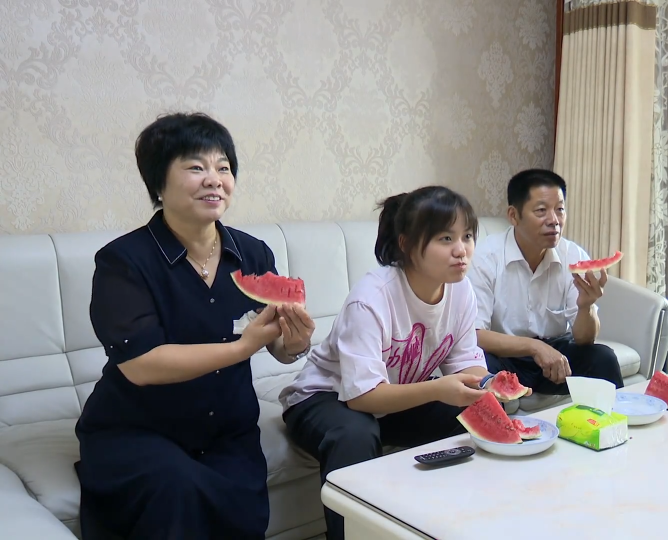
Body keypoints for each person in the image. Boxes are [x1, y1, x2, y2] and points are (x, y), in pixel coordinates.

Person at [74, 112, 317, 540]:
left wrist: (295, 343)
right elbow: (141, 364)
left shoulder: (253, 254)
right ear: (158, 184)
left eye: (223, 168)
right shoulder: (123, 261)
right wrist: (240, 348)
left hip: (228, 432)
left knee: (240, 514)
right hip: (139, 430)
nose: (214, 180)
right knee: (175, 490)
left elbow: (277, 346)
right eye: (195, 167)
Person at [279, 186, 519, 540]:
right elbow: (362, 397)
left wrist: (488, 385)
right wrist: (438, 389)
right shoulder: (371, 299)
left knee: (475, 415)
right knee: (355, 435)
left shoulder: (461, 290)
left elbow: (464, 363)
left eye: (467, 236)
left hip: (393, 397)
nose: (461, 250)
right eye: (445, 238)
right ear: (406, 244)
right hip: (324, 398)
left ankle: (455, 525)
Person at [467, 168, 624, 399]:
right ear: (513, 215)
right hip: (505, 355)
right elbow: (476, 334)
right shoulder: (485, 258)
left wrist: (586, 306)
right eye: (541, 211)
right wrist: (534, 347)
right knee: (478, 368)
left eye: (560, 209)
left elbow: (584, 339)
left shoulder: (573, 255)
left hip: (556, 355)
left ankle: (612, 420)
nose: (554, 220)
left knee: (603, 358)